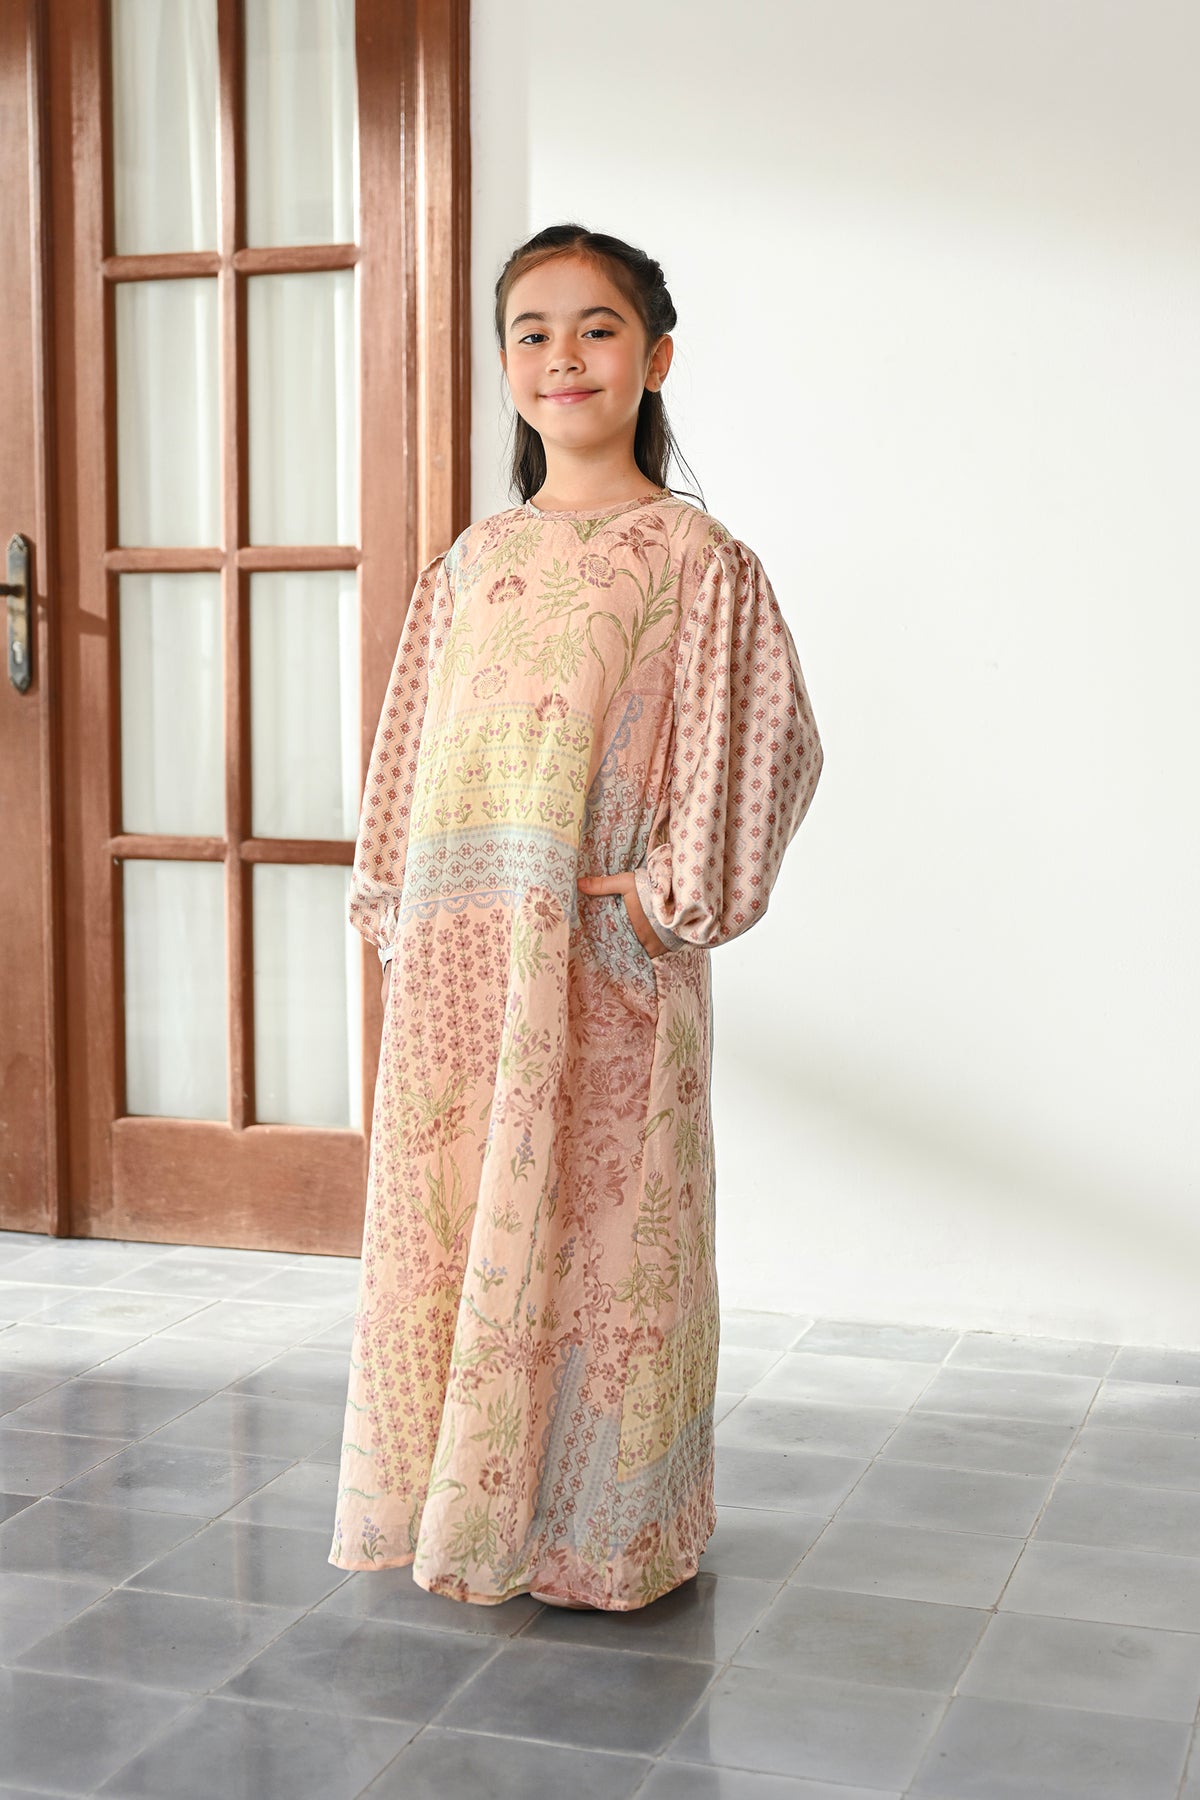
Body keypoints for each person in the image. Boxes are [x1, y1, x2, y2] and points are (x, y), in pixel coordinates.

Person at [328, 223, 823, 1611]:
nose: (564, 356)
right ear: (504, 367)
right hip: (463, 968)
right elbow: (407, 750)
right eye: (531, 332)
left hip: (608, 968)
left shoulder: (699, 561)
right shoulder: (470, 563)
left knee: (611, 1243)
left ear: (655, 359)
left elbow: (769, 745)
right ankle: (467, 1513)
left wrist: (664, 905)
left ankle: (605, 1537)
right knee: (457, 1233)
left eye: (598, 328)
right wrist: (400, 911)